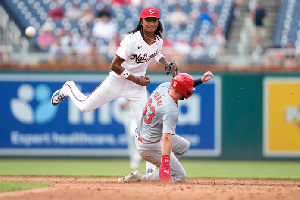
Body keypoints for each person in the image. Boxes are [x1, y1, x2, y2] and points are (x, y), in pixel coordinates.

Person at [51, 7, 178, 174]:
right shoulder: (131, 40)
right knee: (84, 107)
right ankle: (68, 87)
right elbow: (115, 65)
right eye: (148, 20)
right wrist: (136, 79)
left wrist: (166, 62)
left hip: (137, 87)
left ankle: (150, 169)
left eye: (154, 20)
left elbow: (156, 53)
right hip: (118, 80)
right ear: (141, 22)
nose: (151, 23)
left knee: (146, 127)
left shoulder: (158, 40)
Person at [117, 71, 214, 183]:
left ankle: (155, 172)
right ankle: (140, 178)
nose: (190, 92)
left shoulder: (163, 87)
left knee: (183, 145)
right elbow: (166, 138)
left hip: (144, 134)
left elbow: (179, 84)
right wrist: (166, 164)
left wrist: (200, 81)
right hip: (149, 145)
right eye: (189, 90)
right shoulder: (170, 109)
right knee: (179, 176)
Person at [117, 97, 142, 169]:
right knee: (130, 141)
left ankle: (137, 156)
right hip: (127, 117)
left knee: (134, 135)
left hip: (136, 117)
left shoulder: (141, 91)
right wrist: (128, 100)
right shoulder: (123, 94)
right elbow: (121, 106)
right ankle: (133, 159)